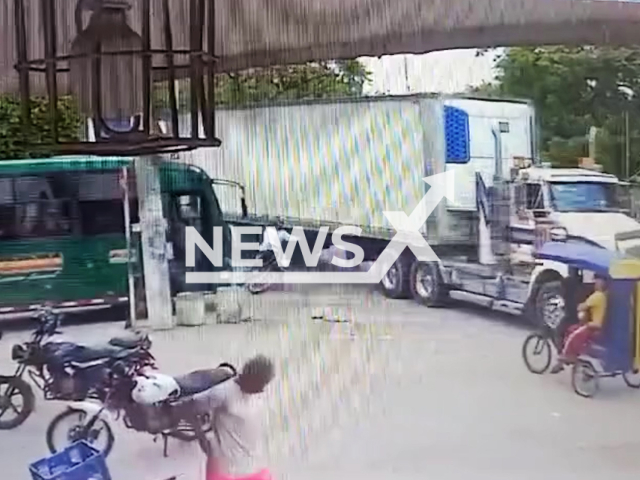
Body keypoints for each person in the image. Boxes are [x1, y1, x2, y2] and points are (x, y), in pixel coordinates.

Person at [186, 355, 276, 480]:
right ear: (250, 380)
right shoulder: (222, 393)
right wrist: (205, 439)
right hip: (226, 468)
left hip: (253, 465)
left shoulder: (255, 395)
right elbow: (191, 406)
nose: (261, 390)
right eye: (260, 385)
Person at [550, 274, 608, 374]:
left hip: (592, 324)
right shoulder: (600, 295)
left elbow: (581, 307)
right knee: (573, 332)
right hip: (590, 321)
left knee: (570, 333)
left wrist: (580, 306)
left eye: (597, 281)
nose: (595, 283)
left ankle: (566, 357)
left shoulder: (597, 296)